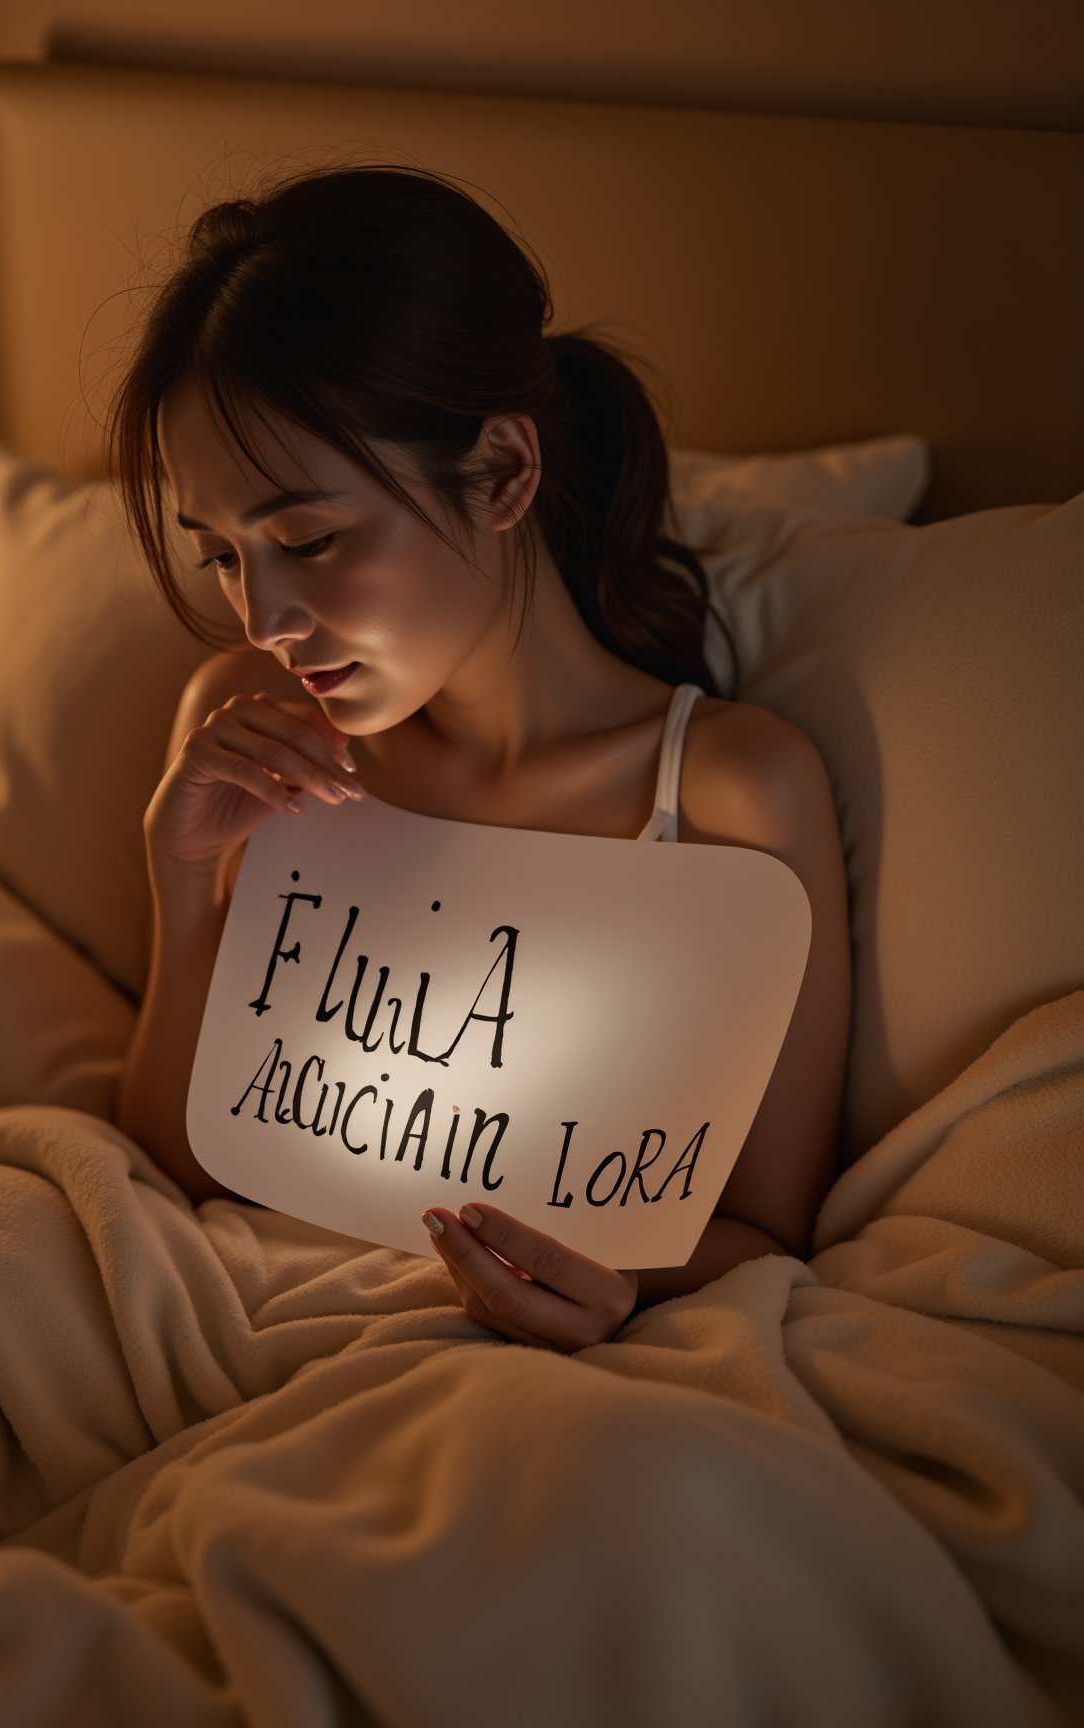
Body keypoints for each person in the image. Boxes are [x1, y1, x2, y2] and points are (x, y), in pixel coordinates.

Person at [109, 163, 852, 1355]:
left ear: (503, 471)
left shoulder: (727, 796)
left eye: (310, 538)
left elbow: (762, 1230)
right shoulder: (250, 728)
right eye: (224, 557)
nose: (264, 619)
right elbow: (174, 1160)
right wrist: (183, 883)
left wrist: (620, 1290)